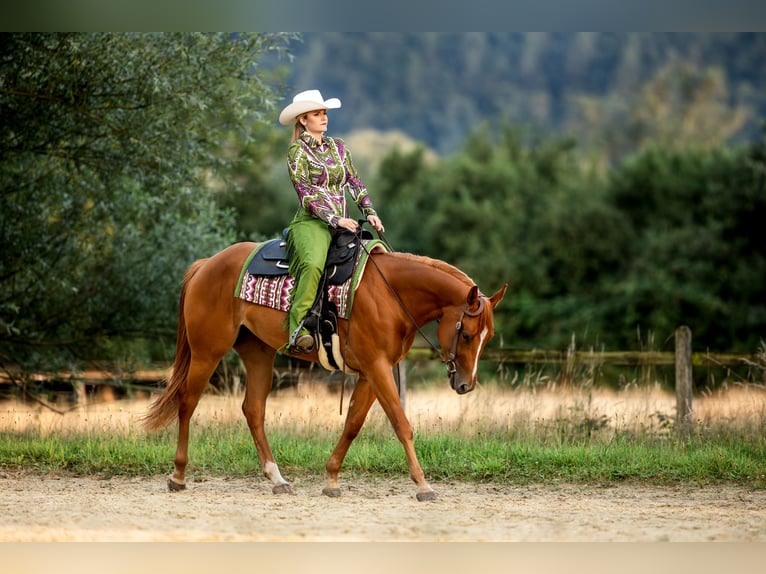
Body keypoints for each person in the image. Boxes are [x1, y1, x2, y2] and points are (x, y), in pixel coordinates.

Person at [278, 89, 385, 354]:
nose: (324, 118)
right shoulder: (297, 152)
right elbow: (306, 194)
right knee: (314, 264)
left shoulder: (338, 147)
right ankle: (298, 327)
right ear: (303, 120)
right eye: (317, 114)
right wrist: (335, 219)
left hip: (343, 221)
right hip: (312, 222)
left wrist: (369, 210)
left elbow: (353, 181)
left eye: (324, 113)